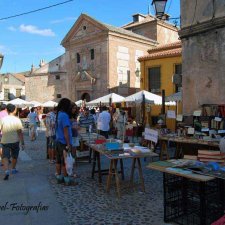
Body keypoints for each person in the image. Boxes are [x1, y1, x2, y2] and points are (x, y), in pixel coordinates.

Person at [55, 98, 77, 185]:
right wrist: (68, 144)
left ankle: (59, 177)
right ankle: (66, 179)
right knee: (65, 161)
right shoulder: (64, 115)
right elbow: (66, 132)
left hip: (58, 140)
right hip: (64, 142)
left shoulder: (59, 114)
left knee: (58, 161)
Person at [0, 104, 25, 180]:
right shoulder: (17, 119)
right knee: (14, 156)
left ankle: (7, 170)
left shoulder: (3, 119)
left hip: (5, 141)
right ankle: (13, 169)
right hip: (15, 141)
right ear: (14, 110)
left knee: (5, 157)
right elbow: (20, 132)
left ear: (6, 110)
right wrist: (22, 143)